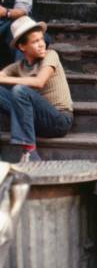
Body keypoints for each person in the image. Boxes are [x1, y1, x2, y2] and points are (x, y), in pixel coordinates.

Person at [0, 17, 73, 162]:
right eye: (35, 41)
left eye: (41, 40)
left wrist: (6, 80)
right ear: (22, 47)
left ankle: (29, 152)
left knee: (19, 91)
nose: (41, 45)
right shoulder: (19, 66)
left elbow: (39, 82)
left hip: (58, 121)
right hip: (35, 120)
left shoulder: (51, 55)